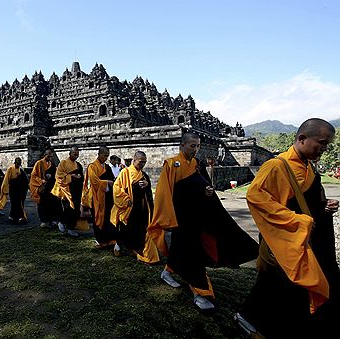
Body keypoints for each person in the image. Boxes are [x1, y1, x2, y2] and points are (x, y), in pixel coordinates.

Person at [235, 118, 339, 338]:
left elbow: (306, 200)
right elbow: (256, 198)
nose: (324, 148)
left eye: (327, 144)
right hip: (284, 239)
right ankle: (248, 319)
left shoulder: (308, 166)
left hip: (306, 238)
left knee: (287, 287)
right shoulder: (277, 165)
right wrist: (298, 221)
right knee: (278, 284)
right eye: (322, 142)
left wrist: (323, 206)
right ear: (302, 138)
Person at [148, 132, 258, 311]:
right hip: (180, 218)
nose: (195, 149)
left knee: (183, 250)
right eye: (192, 145)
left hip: (197, 217)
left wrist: (207, 192)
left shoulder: (197, 165)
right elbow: (164, 194)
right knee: (192, 254)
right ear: (182, 145)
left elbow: (204, 188)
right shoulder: (171, 164)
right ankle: (200, 292)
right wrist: (168, 220)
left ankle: (167, 272)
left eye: (198, 146)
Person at [110, 151, 160, 264]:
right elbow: (116, 188)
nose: (142, 164)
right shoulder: (125, 172)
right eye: (140, 162)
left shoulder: (144, 175)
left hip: (141, 209)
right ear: (134, 160)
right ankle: (118, 245)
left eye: (144, 162)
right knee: (125, 230)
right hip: (129, 208)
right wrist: (126, 199)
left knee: (141, 231)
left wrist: (147, 185)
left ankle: (140, 251)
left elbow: (148, 193)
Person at [82, 146, 117, 248]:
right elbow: (94, 182)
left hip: (108, 197)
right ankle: (100, 241)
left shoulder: (108, 167)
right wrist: (107, 182)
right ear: (99, 154)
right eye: (104, 155)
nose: (106, 158)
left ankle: (110, 239)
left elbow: (113, 180)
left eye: (107, 156)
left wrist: (113, 182)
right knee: (98, 218)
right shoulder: (92, 167)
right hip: (97, 197)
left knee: (108, 218)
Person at [51, 146, 83, 237]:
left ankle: (70, 228)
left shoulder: (78, 165)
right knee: (69, 208)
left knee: (76, 209)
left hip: (76, 190)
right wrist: (71, 176)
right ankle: (62, 222)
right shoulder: (63, 163)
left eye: (77, 154)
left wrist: (79, 177)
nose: (76, 156)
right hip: (67, 190)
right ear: (70, 153)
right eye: (74, 154)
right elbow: (58, 176)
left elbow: (81, 176)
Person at [30, 150, 61, 228]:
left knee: (51, 205)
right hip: (43, 187)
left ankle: (51, 220)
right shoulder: (39, 163)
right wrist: (41, 180)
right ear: (45, 155)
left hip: (51, 188)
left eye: (51, 156)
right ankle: (44, 221)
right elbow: (33, 176)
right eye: (48, 156)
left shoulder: (52, 164)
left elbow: (55, 175)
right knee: (42, 205)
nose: (50, 158)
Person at [0, 157, 29, 223]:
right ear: (14, 162)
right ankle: (13, 216)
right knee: (14, 203)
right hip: (13, 189)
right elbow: (6, 179)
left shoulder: (20, 170)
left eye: (19, 164)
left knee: (19, 203)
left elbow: (25, 180)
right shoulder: (11, 169)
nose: (18, 165)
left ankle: (19, 216)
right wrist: (4, 188)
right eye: (17, 163)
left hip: (19, 190)